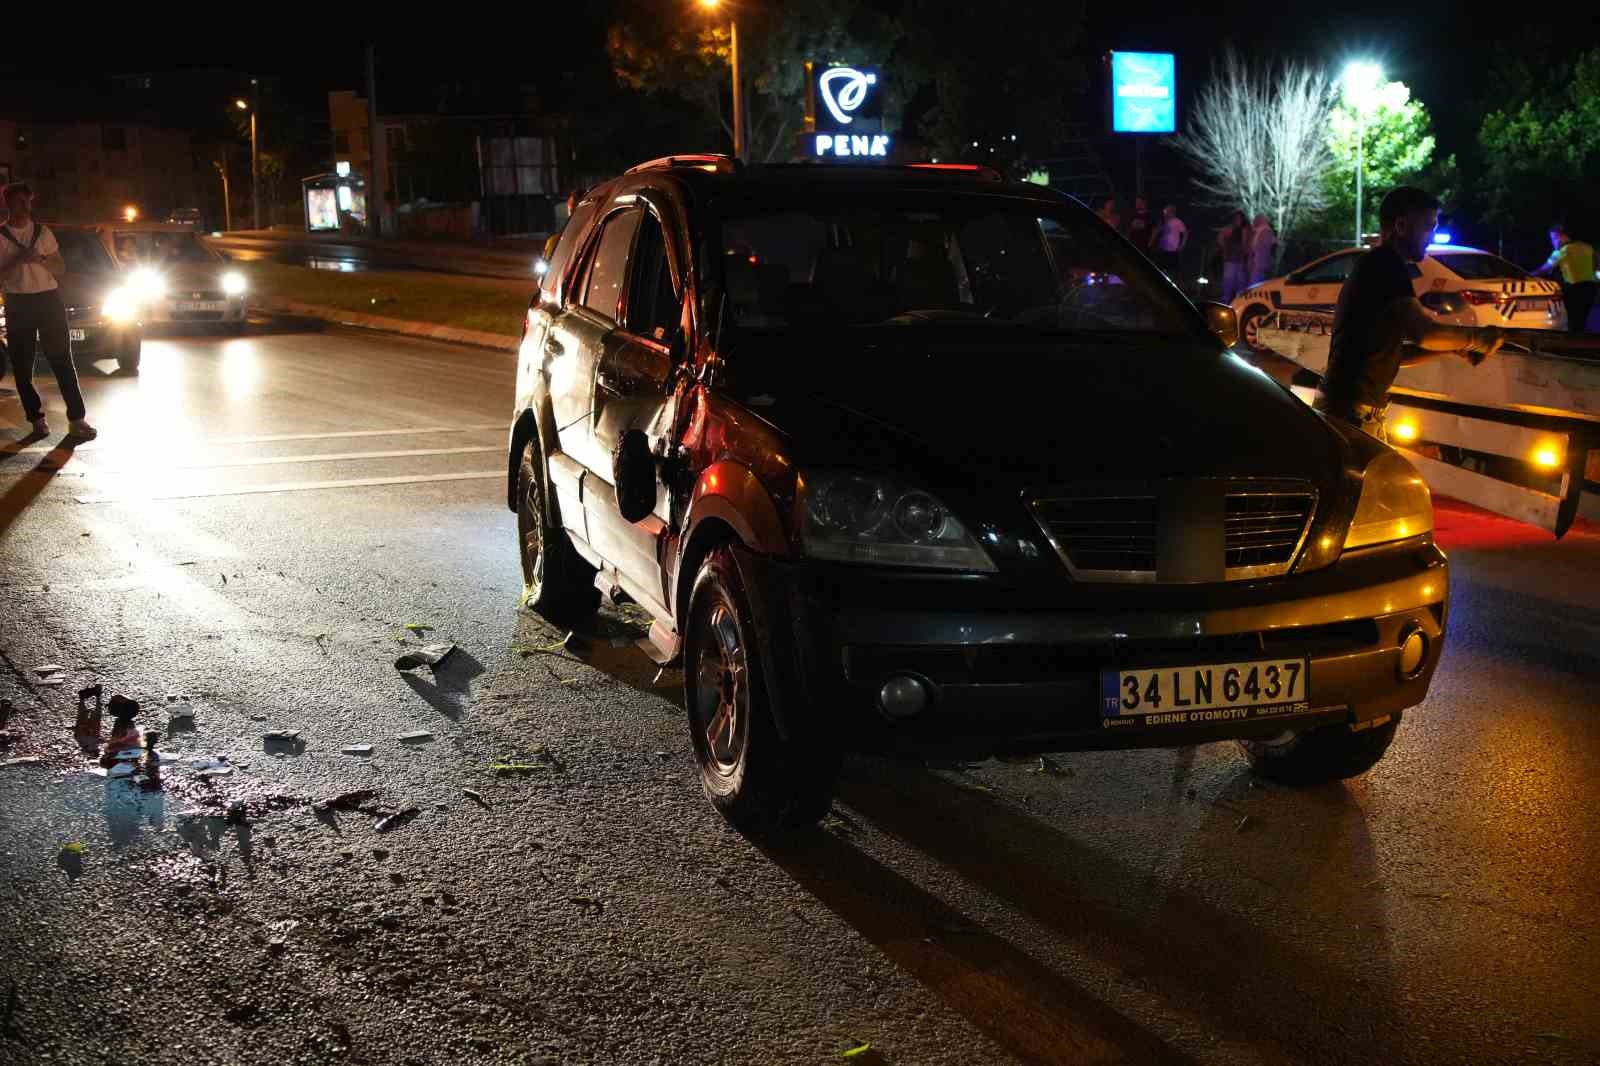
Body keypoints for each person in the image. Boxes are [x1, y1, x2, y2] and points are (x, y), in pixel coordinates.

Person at [1318, 186, 1503, 442]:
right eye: (1429, 226)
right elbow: (1424, 332)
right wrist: (1478, 338)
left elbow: (1392, 353)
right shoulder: (1386, 265)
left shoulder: (1378, 264)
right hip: (1350, 414)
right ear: (1401, 226)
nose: (1432, 235)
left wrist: (1449, 348)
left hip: (1349, 409)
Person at [1, 182, 95, 440]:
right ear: (7, 203)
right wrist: (16, 262)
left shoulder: (43, 233)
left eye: (27, 201)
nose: (25, 207)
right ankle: (37, 420)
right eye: (19, 201)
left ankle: (77, 419)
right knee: (22, 365)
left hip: (48, 300)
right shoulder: (1, 237)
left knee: (62, 360)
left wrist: (40, 259)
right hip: (18, 302)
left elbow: (60, 268)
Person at [1533, 223, 1596, 334]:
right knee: (1581, 319)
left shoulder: (1561, 251)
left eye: (1554, 238)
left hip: (1575, 289)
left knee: (1571, 320)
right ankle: (1581, 344)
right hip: (1591, 288)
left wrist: (1527, 275)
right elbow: (1596, 266)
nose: (1553, 242)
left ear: (1561, 236)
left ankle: (1570, 346)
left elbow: (1544, 269)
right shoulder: (1587, 247)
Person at [1217, 210, 1249, 302]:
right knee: (1228, 282)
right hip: (1231, 259)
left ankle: (1238, 304)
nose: (1238, 220)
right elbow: (1220, 237)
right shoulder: (1230, 229)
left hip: (1240, 260)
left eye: (1239, 218)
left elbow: (1245, 245)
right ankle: (1225, 302)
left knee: (1240, 284)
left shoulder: (1245, 229)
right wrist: (1225, 248)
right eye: (1236, 218)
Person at [1152, 204, 1188, 279]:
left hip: (1172, 250)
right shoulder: (1163, 222)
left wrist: (1182, 245)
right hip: (1162, 249)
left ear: (1171, 212)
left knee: (1171, 271)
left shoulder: (1177, 221)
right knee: (1160, 268)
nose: (1164, 213)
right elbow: (1157, 232)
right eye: (1164, 211)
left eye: (1166, 211)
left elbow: (1185, 233)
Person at [1247, 213, 1277, 286]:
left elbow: (1264, 249)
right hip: (1258, 264)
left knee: (1256, 285)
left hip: (1259, 264)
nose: (1254, 222)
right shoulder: (1258, 231)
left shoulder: (1266, 231)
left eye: (1256, 220)